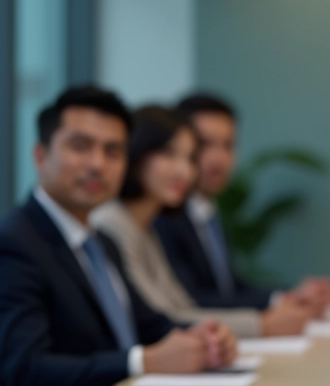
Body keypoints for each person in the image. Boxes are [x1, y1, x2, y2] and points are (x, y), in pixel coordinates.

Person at [0, 87, 236, 386]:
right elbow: (22, 368)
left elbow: (148, 324)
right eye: (80, 146)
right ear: (40, 155)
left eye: (113, 151)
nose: (98, 164)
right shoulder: (15, 244)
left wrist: (203, 335)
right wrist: (141, 361)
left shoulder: (101, 243)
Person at [91, 105, 312, 338]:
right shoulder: (111, 225)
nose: (184, 171)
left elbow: (182, 307)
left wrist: (262, 321)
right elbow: (156, 322)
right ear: (137, 153)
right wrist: (261, 325)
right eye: (169, 154)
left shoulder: (145, 228)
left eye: (189, 159)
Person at [155, 93, 330, 315]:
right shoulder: (164, 217)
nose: (218, 158)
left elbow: (231, 287)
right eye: (205, 144)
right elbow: (190, 300)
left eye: (228, 145)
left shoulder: (208, 212)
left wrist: (289, 296)